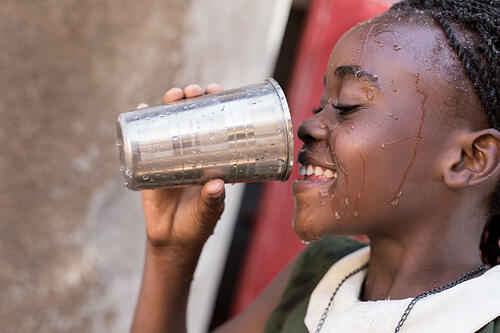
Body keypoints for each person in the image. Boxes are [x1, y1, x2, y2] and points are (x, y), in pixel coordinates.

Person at [131, 0, 500, 332]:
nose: (308, 127)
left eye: (347, 106)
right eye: (319, 106)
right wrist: (170, 253)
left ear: (471, 159)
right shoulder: (322, 275)